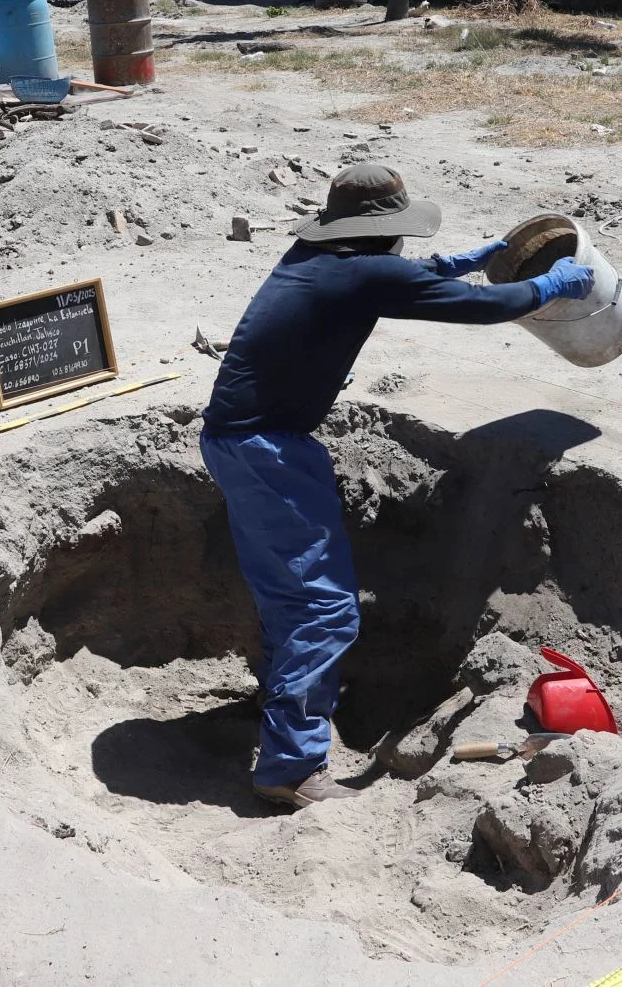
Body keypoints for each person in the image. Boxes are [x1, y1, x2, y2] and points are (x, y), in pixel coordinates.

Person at [200, 163, 595, 808]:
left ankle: (285, 714)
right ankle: (290, 768)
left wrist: (450, 265)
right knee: (323, 609)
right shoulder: (363, 270)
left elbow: (390, 283)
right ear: (386, 232)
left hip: (242, 442)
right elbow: (483, 307)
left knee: (288, 597)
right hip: (269, 451)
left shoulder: (319, 256)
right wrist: (548, 285)